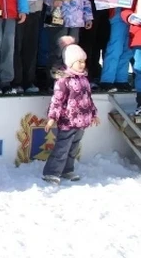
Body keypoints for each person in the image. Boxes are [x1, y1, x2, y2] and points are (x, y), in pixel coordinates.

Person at [42, 37, 98, 184]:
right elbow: (57, 100)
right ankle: (52, 172)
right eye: (79, 61)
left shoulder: (84, 79)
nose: (82, 64)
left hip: (82, 121)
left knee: (73, 148)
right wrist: (52, 117)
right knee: (62, 147)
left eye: (83, 61)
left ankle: (67, 170)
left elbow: (88, 99)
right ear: (70, 62)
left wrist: (93, 114)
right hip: (68, 121)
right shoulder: (64, 80)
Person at [99, 0, 140, 92]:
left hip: (135, 15)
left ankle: (121, 79)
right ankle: (107, 79)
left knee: (128, 48)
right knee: (115, 45)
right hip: (118, 13)